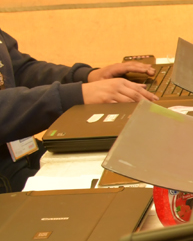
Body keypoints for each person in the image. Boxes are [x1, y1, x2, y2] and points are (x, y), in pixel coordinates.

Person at [0, 29, 157, 192]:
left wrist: (87, 76)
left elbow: (18, 70)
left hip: (21, 150)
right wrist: (75, 94)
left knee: (132, 167)